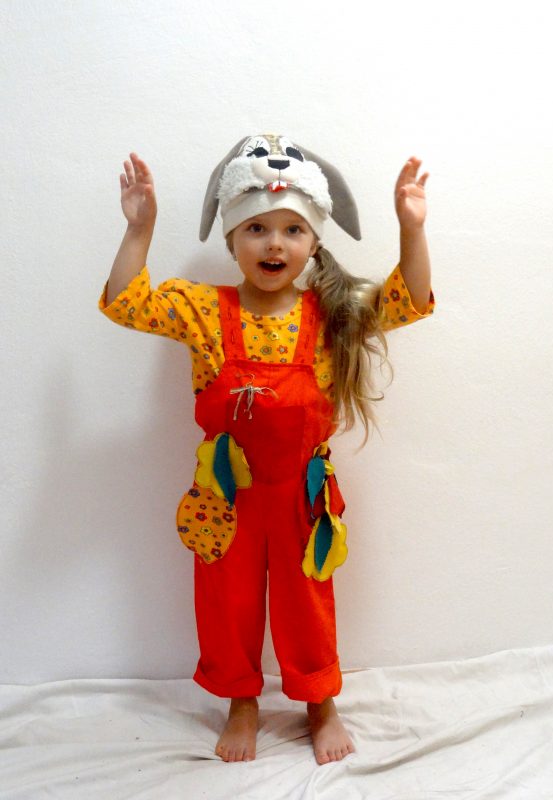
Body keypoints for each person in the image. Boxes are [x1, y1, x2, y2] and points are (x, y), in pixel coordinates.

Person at [99, 134, 434, 765]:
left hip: (302, 494)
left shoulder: (334, 312)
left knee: (308, 602)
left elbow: (410, 300)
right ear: (231, 239)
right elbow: (126, 303)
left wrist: (411, 229)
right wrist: (140, 229)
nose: (274, 244)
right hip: (225, 495)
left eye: (292, 230)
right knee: (228, 604)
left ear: (313, 242)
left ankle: (320, 702)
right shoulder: (202, 309)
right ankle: (242, 702)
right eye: (256, 228)